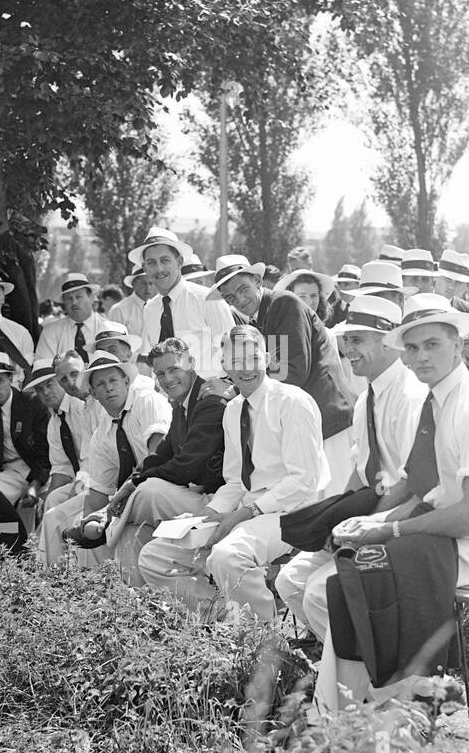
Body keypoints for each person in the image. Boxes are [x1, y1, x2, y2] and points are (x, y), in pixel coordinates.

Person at [313, 293, 469, 716]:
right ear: (404, 357)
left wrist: (391, 530)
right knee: (349, 576)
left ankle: (411, 702)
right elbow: (419, 486)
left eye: (433, 344)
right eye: (412, 347)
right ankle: (352, 713)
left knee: (367, 574)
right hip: (440, 534)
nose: (421, 356)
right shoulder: (436, 401)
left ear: (458, 346)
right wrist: (371, 521)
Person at [138, 324, 328, 622]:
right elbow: (236, 481)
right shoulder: (233, 409)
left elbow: (305, 482)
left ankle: (262, 640)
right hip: (250, 511)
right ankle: (220, 620)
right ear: (225, 365)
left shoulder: (293, 402)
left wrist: (248, 512)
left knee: (227, 556)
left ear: (266, 358)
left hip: (295, 513)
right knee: (155, 556)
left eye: (252, 358)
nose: (246, 369)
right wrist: (212, 513)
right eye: (235, 362)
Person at [276, 294, 427, 645]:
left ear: (389, 339)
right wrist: (335, 519)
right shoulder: (365, 400)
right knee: (290, 581)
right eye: (345, 340)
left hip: (400, 523)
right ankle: (346, 665)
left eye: (357, 339)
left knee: (318, 592)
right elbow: (360, 472)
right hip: (368, 516)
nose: (347, 349)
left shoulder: (410, 397)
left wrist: (365, 527)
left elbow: (413, 483)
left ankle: (379, 673)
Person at [211, 255, 354, 490]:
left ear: (258, 281)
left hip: (329, 417)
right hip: (310, 419)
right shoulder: (260, 314)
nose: (240, 299)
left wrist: (235, 388)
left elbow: (292, 371)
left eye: (243, 289)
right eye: (230, 297)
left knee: (337, 496)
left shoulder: (283, 304)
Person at [98, 338, 228, 582]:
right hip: (197, 497)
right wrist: (130, 482)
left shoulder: (209, 400)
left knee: (150, 491)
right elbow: (160, 456)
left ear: (191, 363)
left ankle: (104, 521)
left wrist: (133, 487)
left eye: (173, 369)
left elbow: (185, 467)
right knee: (129, 533)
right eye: (160, 373)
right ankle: (137, 606)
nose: (167, 379)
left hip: (222, 502)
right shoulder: (181, 405)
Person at [37, 350, 170, 568]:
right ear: (93, 393)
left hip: (165, 485)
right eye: (100, 384)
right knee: (96, 535)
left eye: (113, 380)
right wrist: (89, 522)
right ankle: (87, 591)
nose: (108, 387)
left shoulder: (147, 401)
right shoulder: (102, 434)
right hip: (135, 494)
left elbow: (159, 457)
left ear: (126, 381)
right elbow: (97, 489)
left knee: (144, 493)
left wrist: (116, 501)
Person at [132, 227, 234, 378]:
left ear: (179, 262)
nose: (159, 269)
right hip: (170, 395)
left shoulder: (207, 299)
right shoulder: (150, 309)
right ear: (145, 268)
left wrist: (227, 387)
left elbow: (236, 350)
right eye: (151, 263)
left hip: (209, 394)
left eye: (165, 260)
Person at [0, 353, 51, 509]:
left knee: (46, 505)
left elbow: (46, 451)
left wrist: (35, 484)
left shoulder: (32, 404)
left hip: (41, 468)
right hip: (10, 471)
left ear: (11, 379)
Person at [21, 358, 91, 513]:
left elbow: (94, 458)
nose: (45, 392)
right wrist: (47, 500)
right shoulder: (54, 422)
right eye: (39, 389)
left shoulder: (81, 406)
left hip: (98, 476)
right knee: (52, 501)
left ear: (60, 382)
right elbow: (62, 468)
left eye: (49, 384)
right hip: (81, 479)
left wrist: (77, 489)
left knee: (69, 505)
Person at [34, 272, 110, 364]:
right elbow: (43, 368)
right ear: (64, 303)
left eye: (78, 297)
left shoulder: (107, 328)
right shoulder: (51, 331)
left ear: (91, 298)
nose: (74, 302)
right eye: (69, 298)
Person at [108, 266, 155, 338]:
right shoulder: (119, 310)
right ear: (133, 284)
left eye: (151, 283)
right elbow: (114, 341)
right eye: (143, 283)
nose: (148, 288)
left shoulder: (157, 307)